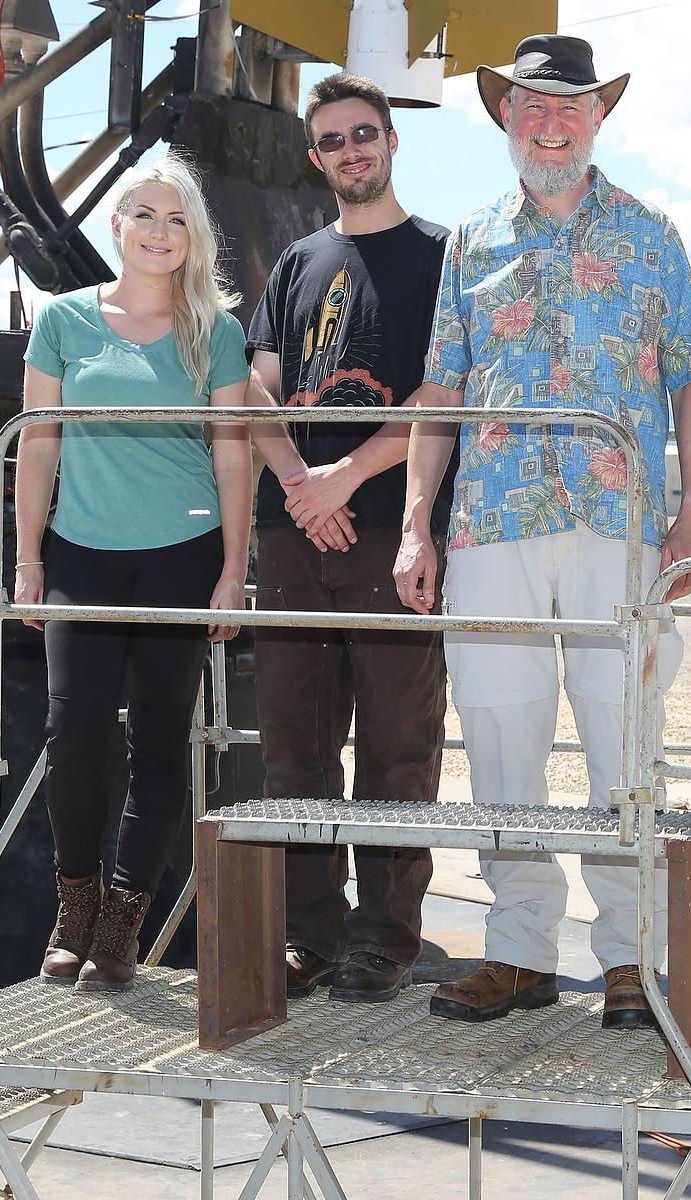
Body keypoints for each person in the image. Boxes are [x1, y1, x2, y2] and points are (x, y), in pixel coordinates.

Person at [389, 35, 691, 1030]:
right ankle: (521, 951)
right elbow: (441, 388)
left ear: (598, 118)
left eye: (568, 106)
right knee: (500, 733)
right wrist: (416, 524)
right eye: (530, 105)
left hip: (616, 526)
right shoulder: (472, 242)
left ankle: (629, 959)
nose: (549, 122)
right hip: (492, 522)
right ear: (505, 117)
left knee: (625, 738)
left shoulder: (653, 236)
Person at [14, 152, 252, 992]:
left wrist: (232, 570)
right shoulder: (65, 322)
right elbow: (37, 443)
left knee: (158, 740)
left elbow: (233, 457)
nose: (160, 231)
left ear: (195, 237)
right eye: (145, 215)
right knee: (71, 731)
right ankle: (72, 906)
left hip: (184, 556)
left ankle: (121, 926)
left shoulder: (217, 331)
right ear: (116, 226)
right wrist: (29, 560)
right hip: (80, 549)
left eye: (177, 218)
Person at [242, 73, 454, 1003]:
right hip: (291, 532)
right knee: (293, 744)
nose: (351, 150)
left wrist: (344, 478)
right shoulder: (295, 265)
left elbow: (438, 400)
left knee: (399, 749)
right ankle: (310, 934)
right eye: (332, 140)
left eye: (365, 133)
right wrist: (298, 481)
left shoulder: (442, 258)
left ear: (393, 141)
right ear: (315, 155)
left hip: (388, 536)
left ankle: (386, 939)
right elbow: (256, 390)